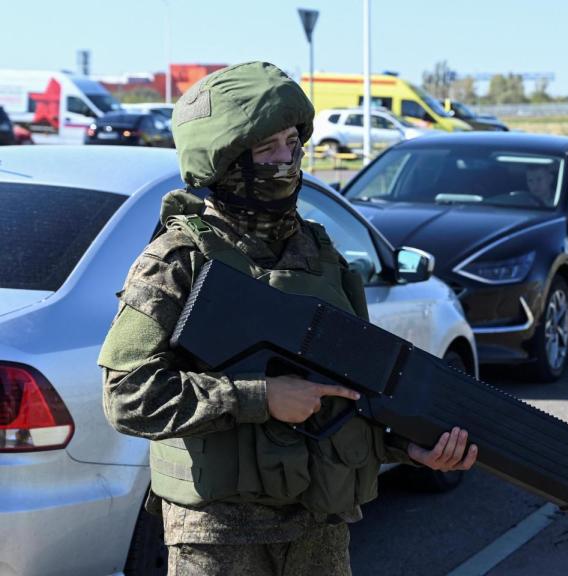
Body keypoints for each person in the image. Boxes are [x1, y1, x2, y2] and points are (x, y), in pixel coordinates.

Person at [98, 62, 477, 576]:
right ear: (223, 161)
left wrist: (409, 448)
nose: (286, 161)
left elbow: (354, 396)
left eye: (292, 144)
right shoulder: (179, 261)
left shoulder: (322, 256)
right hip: (221, 539)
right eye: (265, 149)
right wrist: (260, 397)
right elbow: (127, 397)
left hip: (319, 529)